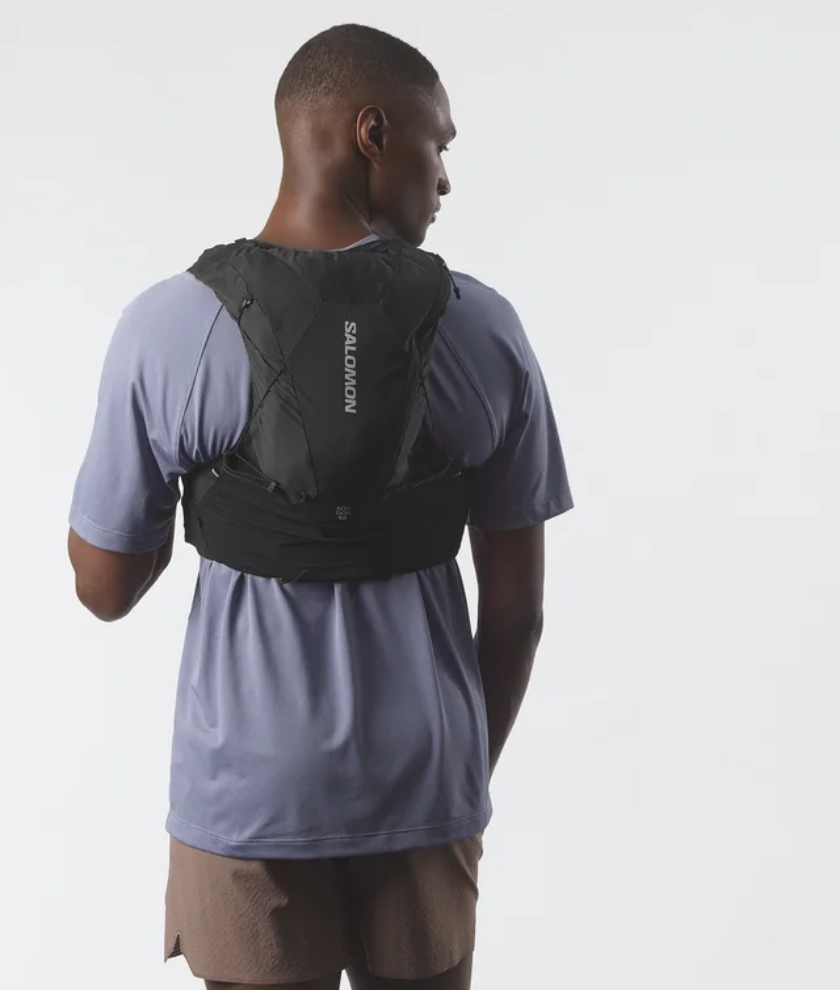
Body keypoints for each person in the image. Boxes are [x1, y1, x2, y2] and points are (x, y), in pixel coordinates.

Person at [67, 22, 573, 990]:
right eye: (438, 144)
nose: (445, 179)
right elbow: (517, 612)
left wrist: (203, 506)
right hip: (423, 788)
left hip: (246, 798)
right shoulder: (485, 327)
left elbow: (103, 587)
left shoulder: (167, 327)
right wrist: (455, 778)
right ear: (372, 133)